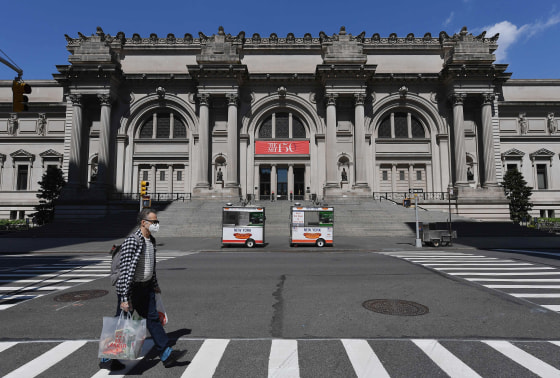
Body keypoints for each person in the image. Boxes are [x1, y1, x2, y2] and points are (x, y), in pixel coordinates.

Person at [99, 208, 186, 371]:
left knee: (153, 320)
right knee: (122, 324)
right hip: (131, 289)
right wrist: (124, 297)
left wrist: (154, 284)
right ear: (143, 223)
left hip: (146, 288)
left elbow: (150, 266)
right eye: (154, 222)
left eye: (157, 221)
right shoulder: (133, 241)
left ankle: (167, 355)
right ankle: (107, 358)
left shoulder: (151, 241)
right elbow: (125, 270)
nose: (156, 224)